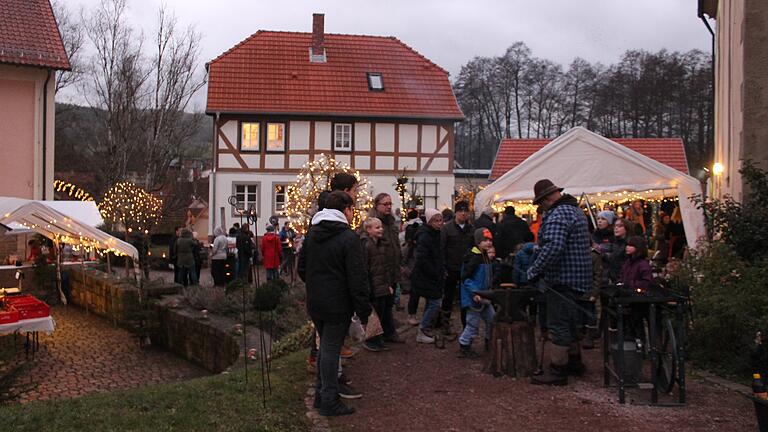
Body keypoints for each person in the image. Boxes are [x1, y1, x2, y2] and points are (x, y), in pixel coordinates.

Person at [298, 191, 371, 417]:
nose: (353, 214)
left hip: (316, 301)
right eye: (352, 210)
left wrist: (316, 284)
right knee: (330, 350)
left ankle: (322, 396)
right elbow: (357, 277)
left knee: (325, 349)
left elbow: (302, 268)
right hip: (337, 304)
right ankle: (329, 400)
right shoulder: (348, 238)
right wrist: (363, 309)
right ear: (345, 210)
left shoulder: (312, 233)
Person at [526, 179, 592, 386]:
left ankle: (557, 370)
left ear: (546, 199)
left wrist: (534, 271)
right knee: (571, 323)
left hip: (563, 278)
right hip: (579, 277)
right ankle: (574, 363)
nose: (541, 208)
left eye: (540, 203)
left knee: (559, 325)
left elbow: (554, 247)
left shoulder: (558, 214)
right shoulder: (575, 211)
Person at [361, 217, 400, 351]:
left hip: (382, 285)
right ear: (368, 230)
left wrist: (388, 284)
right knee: (375, 315)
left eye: (381, 227)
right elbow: (365, 269)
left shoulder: (382, 245)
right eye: (377, 228)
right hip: (374, 287)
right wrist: (368, 288)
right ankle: (371, 339)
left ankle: (379, 338)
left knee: (382, 313)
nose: (381, 229)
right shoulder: (367, 246)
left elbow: (385, 267)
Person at [457, 228, 496, 358]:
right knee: (472, 323)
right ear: (478, 242)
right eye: (485, 240)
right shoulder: (473, 257)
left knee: (492, 319)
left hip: (485, 296)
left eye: (490, 240)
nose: (489, 243)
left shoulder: (484, 256)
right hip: (474, 297)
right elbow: (465, 278)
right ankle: (464, 344)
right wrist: (475, 292)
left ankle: (489, 341)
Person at [410, 208, 445, 343]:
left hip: (432, 273)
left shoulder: (435, 234)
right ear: (430, 221)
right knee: (435, 302)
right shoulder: (426, 236)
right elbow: (422, 258)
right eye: (436, 220)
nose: (439, 223)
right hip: (427, 274)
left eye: (440, 220)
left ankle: (425, 328)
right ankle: (423, 329)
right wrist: (434, 271)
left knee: (432, 302)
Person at [440, 200, 474, 334]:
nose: (463, 214)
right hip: (451, 268)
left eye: (466, 211)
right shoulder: (447, 228)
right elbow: (441, 248)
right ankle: (445, 324)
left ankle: (466, 325)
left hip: (466, 268)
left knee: (465, 298)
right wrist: (443, 267)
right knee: (448, 297)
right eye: (461, 211)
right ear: (456, 213)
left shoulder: (471, 229)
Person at [603, 218, 634, 284]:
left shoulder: (630, 244)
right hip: (613, 278)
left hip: (624, 279)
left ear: (627, 228)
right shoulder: (614, 242)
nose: (616, 228)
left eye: (620, 226)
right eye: (615, 226)